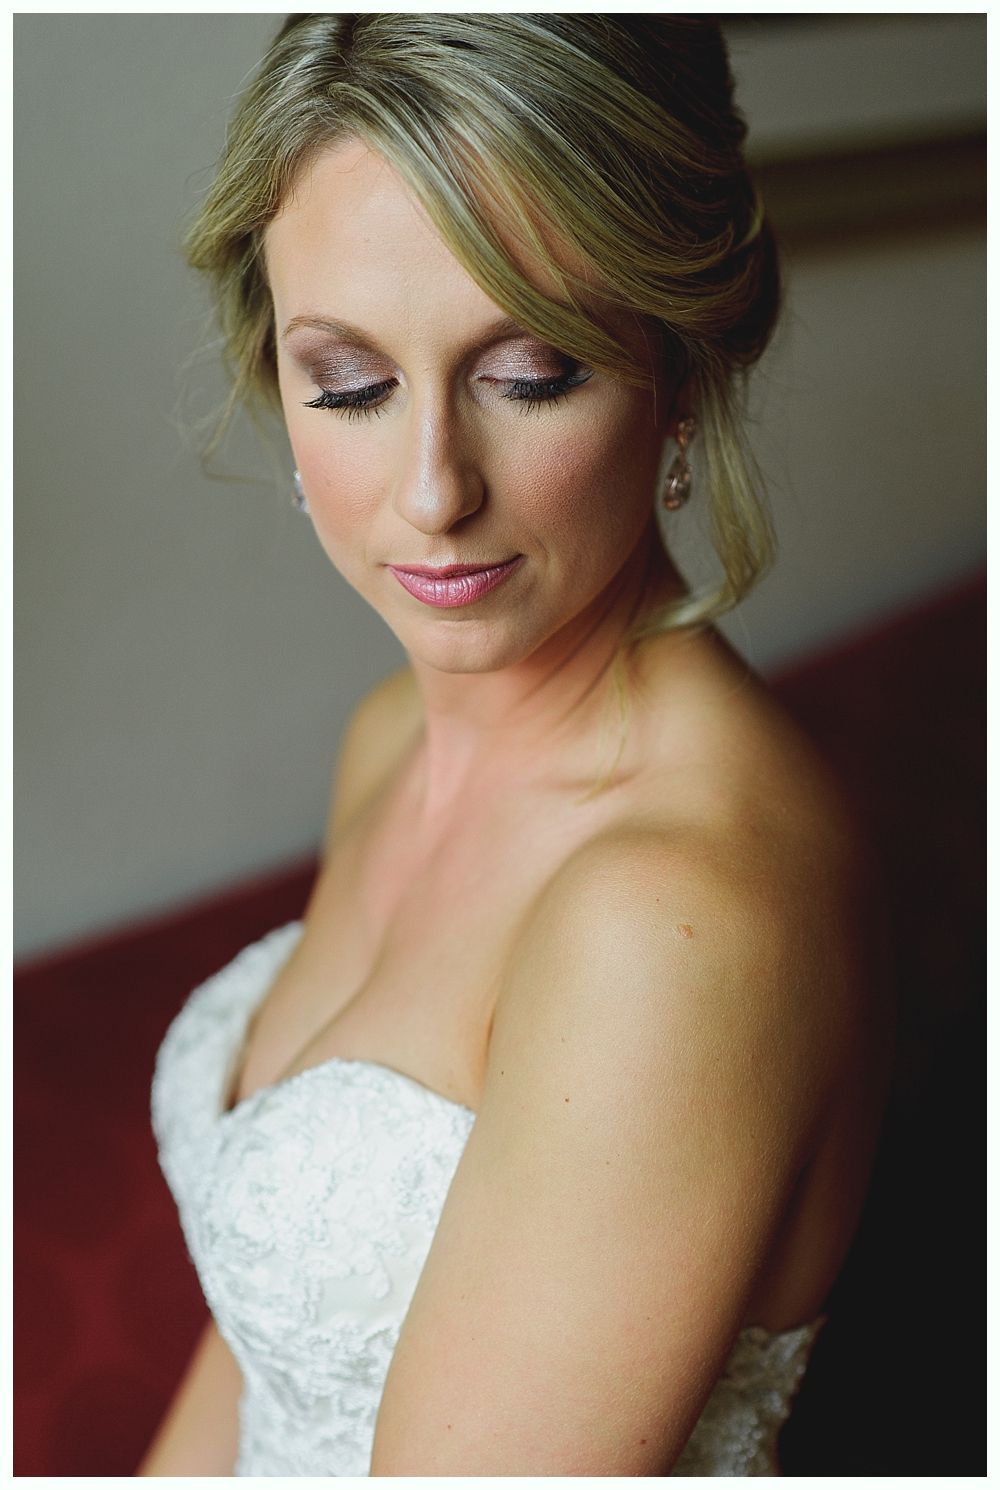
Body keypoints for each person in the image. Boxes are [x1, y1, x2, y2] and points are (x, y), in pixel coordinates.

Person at [139, 14, 893, 1477]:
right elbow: (257, 1342)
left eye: (530, 371)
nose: (430, 492)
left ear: (679, 368)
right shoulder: (390, 736)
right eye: (348, 382)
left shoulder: (673, 919)